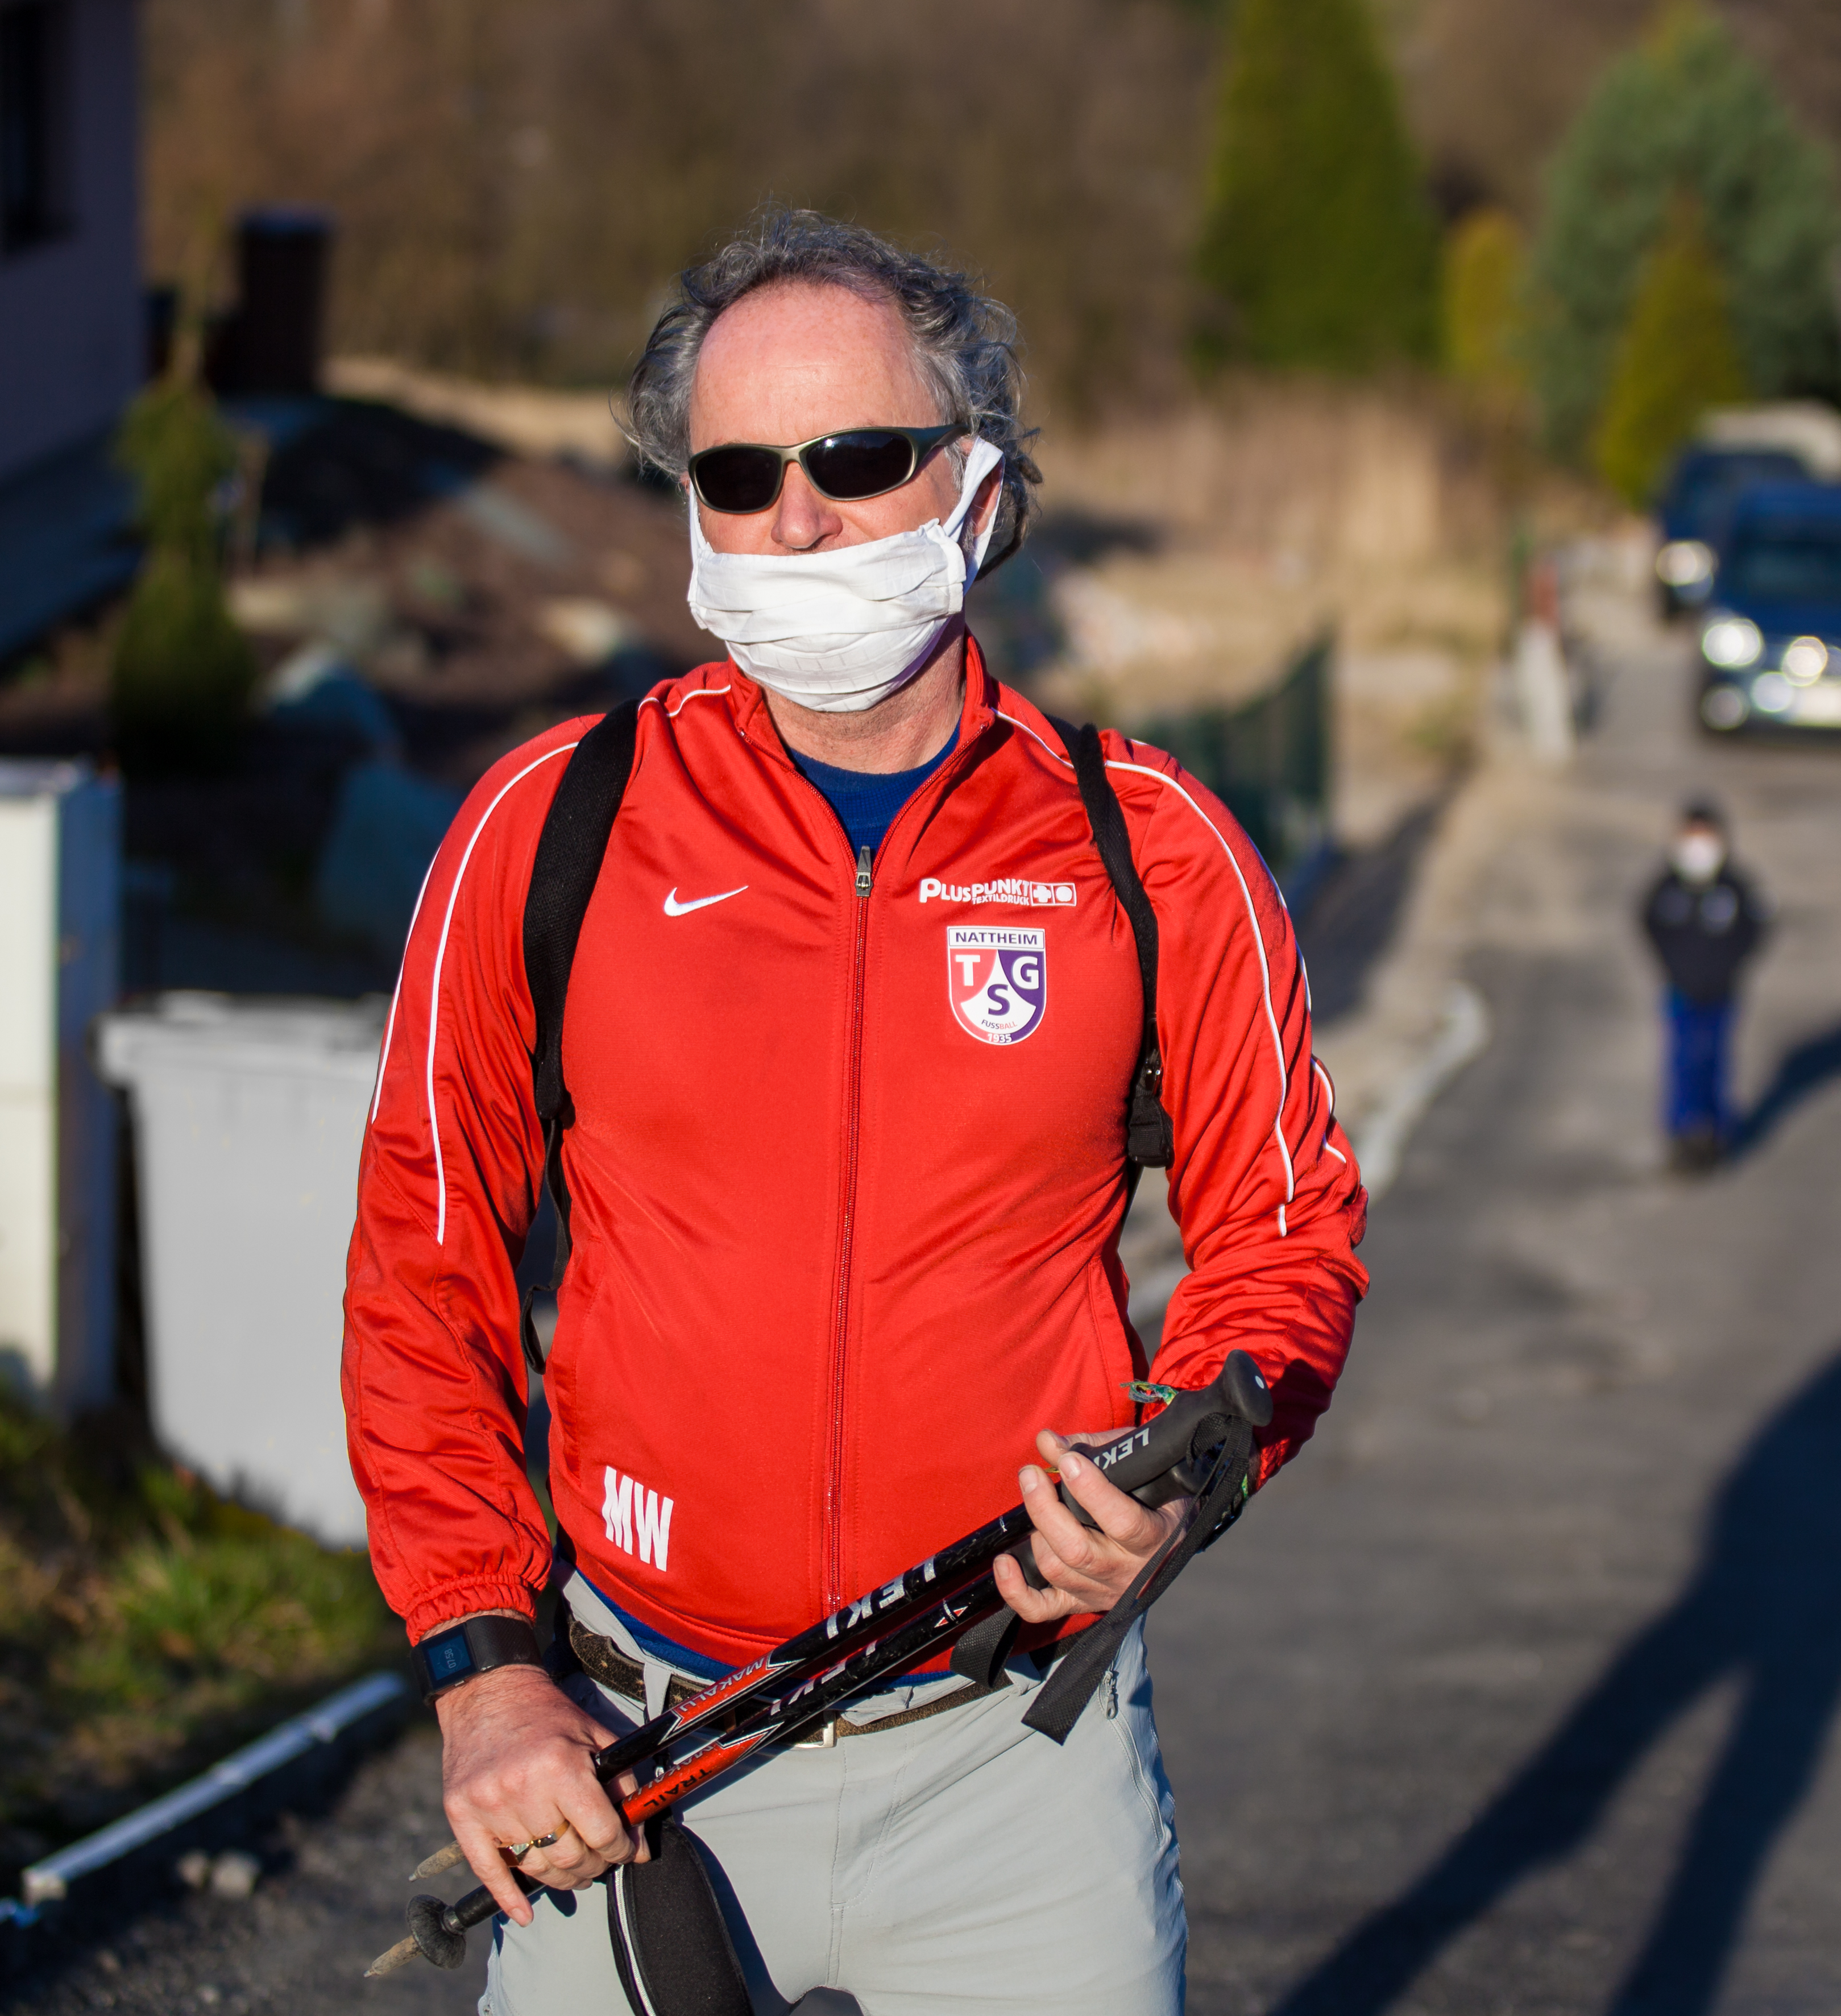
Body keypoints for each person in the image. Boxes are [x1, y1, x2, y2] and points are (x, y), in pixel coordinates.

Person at [339, 209, 1366, 2015]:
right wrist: (484, 1669)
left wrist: (1193, 1470)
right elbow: (423, 1265)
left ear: (976, 488)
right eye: (737, 474)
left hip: (1008, 1756)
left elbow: (1282, 1235)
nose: (795, 517)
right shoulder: (544, 827)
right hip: (628, 1746)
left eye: (854, 459)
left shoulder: (1151, 852)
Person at [1638, 797, 1767, 1173]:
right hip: (1680, 992)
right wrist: (1670, 968)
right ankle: (1681, 1136)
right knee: (1681, 1062)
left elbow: (1755, 930)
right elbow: (1648, 925)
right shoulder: (1666, 888)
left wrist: (1731, 966)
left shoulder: (1734, 888)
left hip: (1722, 992)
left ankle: (1714, 1134)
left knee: (1715, 1060)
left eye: (1705, 836)